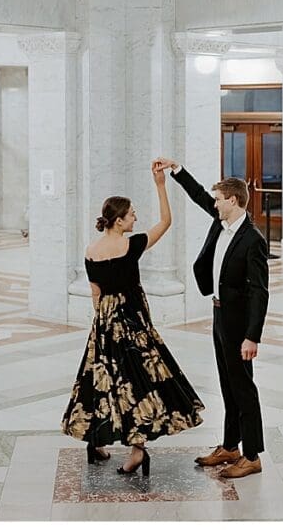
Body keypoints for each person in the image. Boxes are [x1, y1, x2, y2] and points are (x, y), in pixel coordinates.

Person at [62, 162, 204, 476]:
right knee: (140, 382)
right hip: (132, 321)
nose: (135, 218)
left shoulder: (91, 250)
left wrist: (102, 325)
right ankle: (138, 450)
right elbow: (166, 222)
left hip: (105, 321)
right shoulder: (130, 245)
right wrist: (160, 185)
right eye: (132, 214)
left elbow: (96, 293)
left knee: (101, 380)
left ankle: (95, 441)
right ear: (119, 220)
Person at [155, 157, 269, 479]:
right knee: (227, 385)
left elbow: (260, 292)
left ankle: (252, 455)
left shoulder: (253, 240)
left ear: (232, 201)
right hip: (219, 314)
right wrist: (176, 170)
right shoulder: (222, 222)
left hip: (238, 323)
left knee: (243, 388)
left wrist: (252, 336)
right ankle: (231, 446)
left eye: (219, 199)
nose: (214, 203)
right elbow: (198, 196)